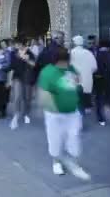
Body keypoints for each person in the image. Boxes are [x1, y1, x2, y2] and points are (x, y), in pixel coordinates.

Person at [38, 47, 90, 179]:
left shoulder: (71, 69)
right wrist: (52, 107)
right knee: (55, 138)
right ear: (55, 61)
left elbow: (78, 81)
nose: (65, 65)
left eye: (66, 62)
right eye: (63, 62)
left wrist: (77, 84)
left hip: (73, 112)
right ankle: (56, 162)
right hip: (54, 114)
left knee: (74, 136)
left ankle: (74, 162)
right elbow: (44, 93)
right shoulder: (47, 72)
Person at [10, 38, 37, 129]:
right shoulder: (14, 53)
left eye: (18, 44)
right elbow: (11, 65)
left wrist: (26, 59)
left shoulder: (29, 52)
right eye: (16, 44)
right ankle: (16, 115)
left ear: (23, 44)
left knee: (27, 98)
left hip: (27, 78)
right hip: (17, 77)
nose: (17, 46)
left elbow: (34, 65)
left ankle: (26, 114)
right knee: (17, 96)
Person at [94, 39, 110, 125]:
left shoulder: (95, 54)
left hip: (98, 79)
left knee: (100, 99)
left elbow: (93, 68)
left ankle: (101, 119)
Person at [71, 36, 97, 114]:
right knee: (85, 98)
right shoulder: (88, 53)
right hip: (87, 80)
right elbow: (94, 67)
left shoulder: (71, 53)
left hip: (74, 80)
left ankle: (77, 116)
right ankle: (84, 111)